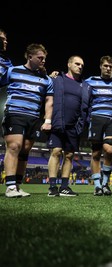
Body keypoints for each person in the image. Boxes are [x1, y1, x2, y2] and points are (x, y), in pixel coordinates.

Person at [0, 43, 53, 198]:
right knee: (14, 147)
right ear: (30, 56)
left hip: (33, 117)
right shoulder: (12, 71)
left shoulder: (46, 79)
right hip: (14, 113)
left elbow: (49, 100)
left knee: (25, 151)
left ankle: (17, 185)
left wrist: (47, 119)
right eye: (40, 58)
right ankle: (9, 186)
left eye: (44, 58)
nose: (43, 61)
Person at [46, 55, 90, 197]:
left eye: (82, 65)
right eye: (77, 64)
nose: (80, 66)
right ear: (69, 64)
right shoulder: (58, 79)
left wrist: (81, 124)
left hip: (74, 126)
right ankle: (52, 187)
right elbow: (47, 97)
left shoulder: (85, 85)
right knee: (56, 152)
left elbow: (86, 107)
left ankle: (64, 187)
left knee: (69, 155)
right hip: (58, 122)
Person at [86, 55, 112, 196]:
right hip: (96, 118)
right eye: (105, 66)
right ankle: (97, 185)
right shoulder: (91, 81)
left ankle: (105, 183)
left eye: (110, 66)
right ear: (100, 66)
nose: (108, 68)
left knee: (109, 150)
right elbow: (77, 85)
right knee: (96, 153)